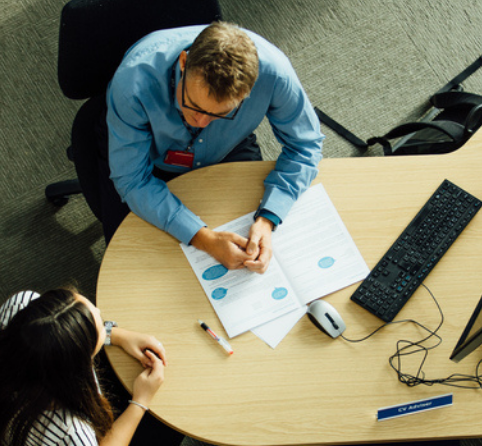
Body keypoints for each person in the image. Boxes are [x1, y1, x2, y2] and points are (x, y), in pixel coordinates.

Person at [78, 21, 324, 274]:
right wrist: (204, 239)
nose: (202, 122)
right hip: (149, 159)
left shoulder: (274, 75)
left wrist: (268, 219)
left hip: (228, 148)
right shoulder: (133, 84)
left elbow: (305, 144)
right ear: (184, 63)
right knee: (138, 266)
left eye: (222, 113)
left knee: (261, 250)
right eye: (194, 105)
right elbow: (132, 180)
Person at [0, 288, 183, 446]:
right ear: (79, 367)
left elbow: (57, 333)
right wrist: (140, 401)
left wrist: (117, 335)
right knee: (167, 434)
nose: (101, 314)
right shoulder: (67, 430)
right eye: (101, 326)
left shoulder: (22, 304)